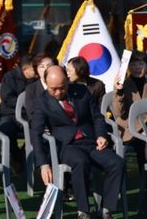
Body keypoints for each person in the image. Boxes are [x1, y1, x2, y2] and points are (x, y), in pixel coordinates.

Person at [31, 65, 124, 219]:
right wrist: (43, 164)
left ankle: (106, 210)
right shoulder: (41, 101)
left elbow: (97, 117)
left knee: (117, 163)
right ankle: (83, 212)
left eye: (62, 87)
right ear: (46, 84)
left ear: (68, 80)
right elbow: (36, 133)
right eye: (53, 89)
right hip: (66, 145)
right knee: (80, 161)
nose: (58, 92)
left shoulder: (81, 91)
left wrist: (101, 135)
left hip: (91, 141)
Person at [112, 50, 147, 215]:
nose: (137, 67)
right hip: (131, 131)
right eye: (133, 64)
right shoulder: (124, 84)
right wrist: (118, 92)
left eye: (141, 63)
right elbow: (119, 113)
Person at [0, 53, 37, 172]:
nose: (37, 71)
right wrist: (25, 103)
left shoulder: (37, 79)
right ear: (26, 69)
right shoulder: (9, 77)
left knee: (37, 132)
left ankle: (21, 156)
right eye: (34, 68)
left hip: (28, 115)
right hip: (10, 114)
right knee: (6, 130)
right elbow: (7, 98)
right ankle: (15, 157)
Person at [24, 52, 57, 120]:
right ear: (37, 71)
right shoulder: (31, 89)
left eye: (49, 65)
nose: (46, 69)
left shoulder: (63, 83)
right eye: (42, 67)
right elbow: (32, 116)